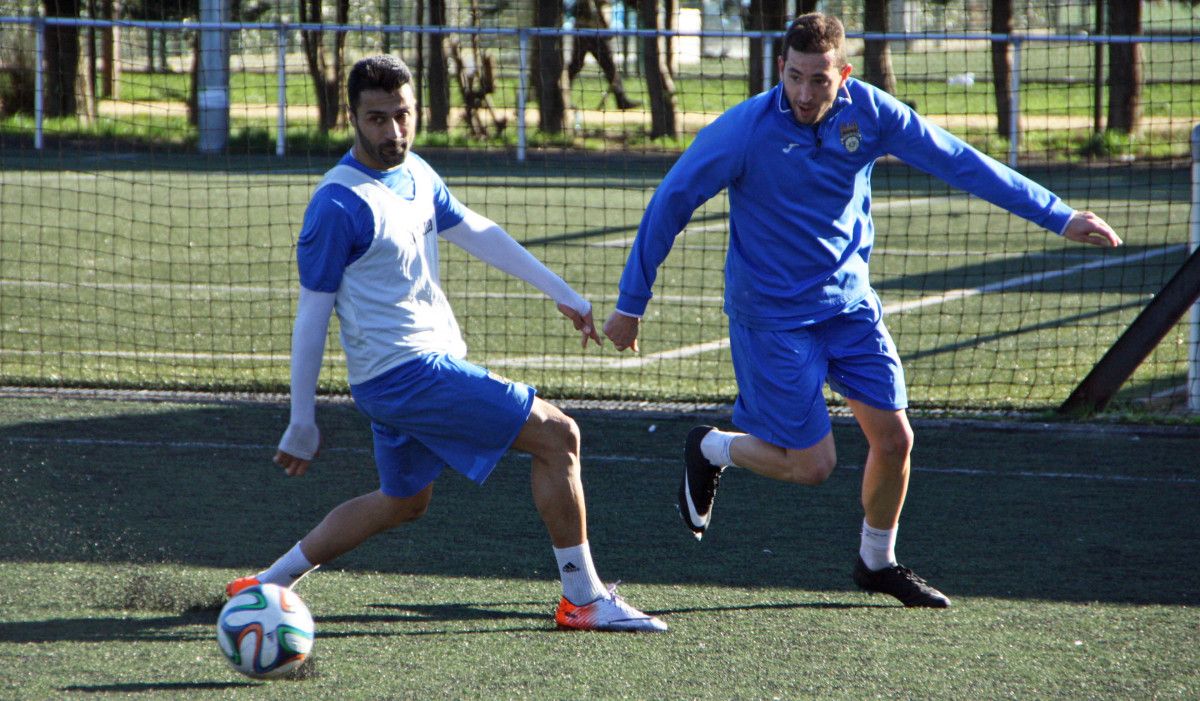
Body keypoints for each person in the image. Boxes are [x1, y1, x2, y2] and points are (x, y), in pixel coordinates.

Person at [603, 13, 1122, 608]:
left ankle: (878, 562)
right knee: (812, 467)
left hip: (849, 307)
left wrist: (1059, 215)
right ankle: (712, 447)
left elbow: (959, 161)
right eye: (794, 77)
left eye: (818, 80)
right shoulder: (745, 130)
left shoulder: (871, 113)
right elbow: (672, 200)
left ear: (842, 74)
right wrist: (630, 304)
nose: (804, 93)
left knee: (895, 438)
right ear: (781, 69)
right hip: (771, 317)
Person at [226, 55, 666, 633]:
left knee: (403, 501)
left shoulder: (416, 173)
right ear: (352, 118)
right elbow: (312, 314)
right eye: (377, 119)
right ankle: (583, 599)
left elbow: (477, 230)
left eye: (402, 116)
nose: (394, 132)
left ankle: (267, 584)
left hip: (411, 373)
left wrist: (562, 292)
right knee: (559, 436)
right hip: (405, 374)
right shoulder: (337, 205)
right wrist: (301, 419)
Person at [568, 0, 640, 110]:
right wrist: (605, 27)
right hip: (588, 30)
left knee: (608, 66)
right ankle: (561, 99)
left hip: (593, 30)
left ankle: (621, 100)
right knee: (577, 65)